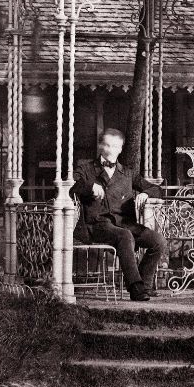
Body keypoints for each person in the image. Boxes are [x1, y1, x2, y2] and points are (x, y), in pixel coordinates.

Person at [71, 128, 167, 302]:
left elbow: (157, 189)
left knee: (158, 241)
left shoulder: (128, 173)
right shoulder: (86, 169)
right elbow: (70, 185)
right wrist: (89, 186)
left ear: (121, 148)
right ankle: (135, 288)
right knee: (125, 235)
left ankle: (144, 285)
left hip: (125, 224)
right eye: (106, 145)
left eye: (114, 146)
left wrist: (146, 194)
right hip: (97, 225)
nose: (110, 150)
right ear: (100, 145)